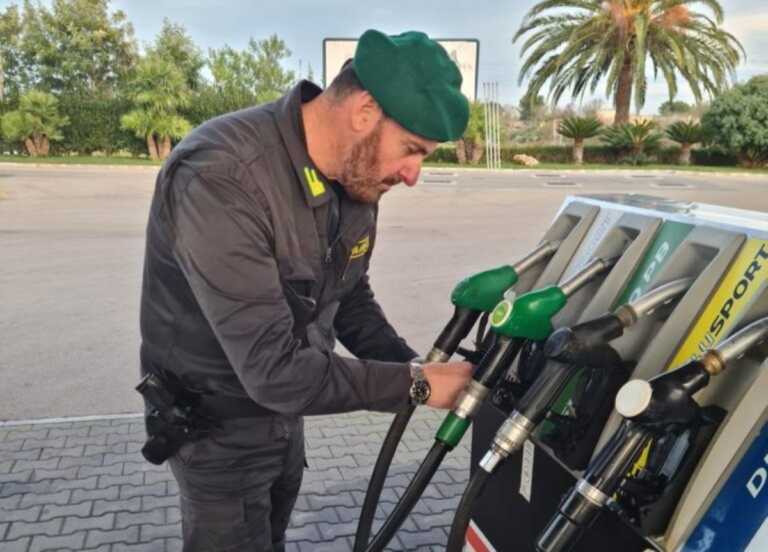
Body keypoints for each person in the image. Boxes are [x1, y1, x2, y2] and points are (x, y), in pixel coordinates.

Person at [139, 28, 473, 551]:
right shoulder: (222, 175)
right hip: (217, 434)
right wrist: (416, 385)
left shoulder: (354, 177)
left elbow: (349, 297)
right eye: (411, 150)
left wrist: (414, 367)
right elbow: (273, 370)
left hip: (284, 418)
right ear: (364, 111)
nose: (413, 174)